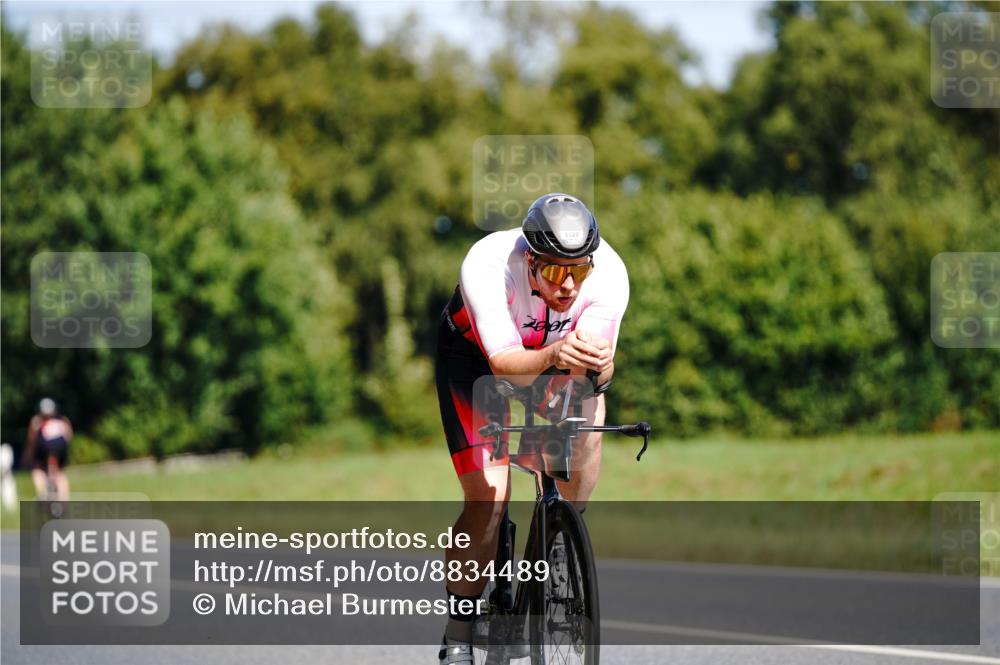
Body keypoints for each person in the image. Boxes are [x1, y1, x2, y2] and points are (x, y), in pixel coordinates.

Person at [435, 193, 629, 663]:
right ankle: (458, 634)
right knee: (490, 497)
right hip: (476, 364)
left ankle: (557, 540)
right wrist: (556, 356)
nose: (567, 285)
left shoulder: (611, 273)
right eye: (554, 271)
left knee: (587, 416)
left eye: (577, 271)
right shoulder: (488, 262)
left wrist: (599, 370)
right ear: (529, 260)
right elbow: (503, 366)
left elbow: (592, 379)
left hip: (549, 361)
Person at [24, 398, 73, 501]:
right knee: (59, 473)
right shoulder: (63, 420)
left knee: (38, 469)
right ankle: (63, 499)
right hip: (61, 447)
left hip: (45, 447)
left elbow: (32, 441)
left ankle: (42, 493)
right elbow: (69, 436)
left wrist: (29, 456)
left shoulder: (36, 421)